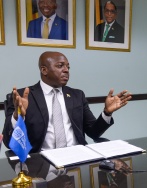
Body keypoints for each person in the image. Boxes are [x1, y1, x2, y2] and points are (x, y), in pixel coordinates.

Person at [2, 51, 132, 153]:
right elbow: (8, 143)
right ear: (44, 70)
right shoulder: (22, 96)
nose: (66, 70)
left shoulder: (77, 95)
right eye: (60, 66)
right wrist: (17, 116)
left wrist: (107, 113)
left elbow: (93, 132)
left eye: (68, 67)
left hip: (78, 156)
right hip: (41, 161)